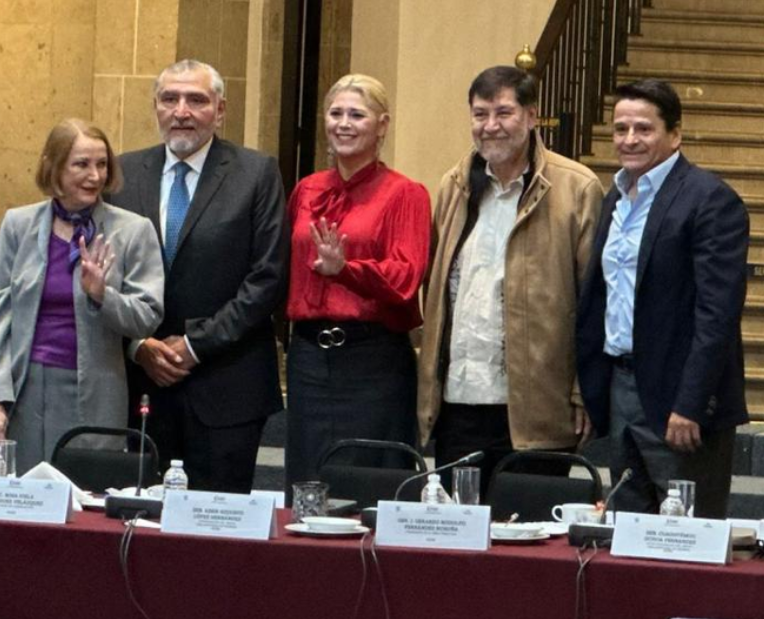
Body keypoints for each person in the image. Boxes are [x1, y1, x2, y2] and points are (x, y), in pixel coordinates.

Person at [417, 66, 603, 493]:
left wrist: (583, 390)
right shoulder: (454, 186)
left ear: (532, 116)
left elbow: (594, 301)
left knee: (526, 529)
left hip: (535, 408)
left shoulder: (576, 188)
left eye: (504, 113)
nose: (491, 126)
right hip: (459, 401)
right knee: (458, 528)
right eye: (480, 114)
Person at [107, 59, 288, 493]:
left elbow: (267, 278)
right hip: (143, 383)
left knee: (217, 521)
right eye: (169, 99)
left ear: (220, 110)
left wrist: (193, 345)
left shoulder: (256, 173)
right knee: (141, 516)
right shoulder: (123, 174)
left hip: (227, 384)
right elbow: (104, 275)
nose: (181, 111)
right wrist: (138, 346)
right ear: (155, 106)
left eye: (196, 100)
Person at [577, 79, 748, 518]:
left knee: (686, 536)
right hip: (621, 388)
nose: (629, 139)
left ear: (675, 134)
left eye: (644, 129)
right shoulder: (615, 198)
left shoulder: (710, 200)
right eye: (620, 129)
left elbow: (717, 315)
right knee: (627, 527)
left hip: (679, 402)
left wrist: (691, 404)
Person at [0, 119, 164, 474]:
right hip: (24, 390)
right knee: (24, 495)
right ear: (54, 166)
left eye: (102, 164)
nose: (95, 175)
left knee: (86, 494)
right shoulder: (18, 225)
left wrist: (103, 295)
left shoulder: (133, 231)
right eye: (81, 164)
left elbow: (147, 317)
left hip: (96, 393)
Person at [284, 74, 430, 492]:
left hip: (372, 361)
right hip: (309, 358)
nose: (344, 124)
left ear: (382, 125)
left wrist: (347, 269)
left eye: (357, 115)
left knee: (368, 482)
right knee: (307, 480)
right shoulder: (307, 189)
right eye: (336, 113)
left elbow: (405, 278)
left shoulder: (405, 193)